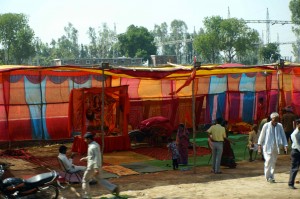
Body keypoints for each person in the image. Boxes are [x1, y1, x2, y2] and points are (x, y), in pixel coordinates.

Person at [80, 132, 119, 198]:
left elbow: (96, 158)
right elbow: (92, 156)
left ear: (89, 139)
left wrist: (95, 169)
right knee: (100, 179)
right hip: (96, 166)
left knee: (85, 180)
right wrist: (85, 158)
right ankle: (113, 188)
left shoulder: (93, 147)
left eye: (85, 139)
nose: (85, 141)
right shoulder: (95, 145)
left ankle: (87, 196)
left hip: (92, 166)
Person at [258, 112, 288, 183]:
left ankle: (271, 176)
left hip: (276, 146)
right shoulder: (266, 125)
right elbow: (262, 135)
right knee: (268, 160)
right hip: (267, 146)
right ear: (272, 118)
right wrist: (259, 145)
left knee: (273, 162)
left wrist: (285, 145)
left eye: (277, 118)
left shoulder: (279, 125)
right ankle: (267, 176)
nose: (276, 120)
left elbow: (283, 135)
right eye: (275, 118)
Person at [288, 118, 300, 189]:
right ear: (298, 124)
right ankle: (290, 184)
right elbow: (297, 145)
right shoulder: (294, 134)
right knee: (294, 168)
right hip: (296, 152)